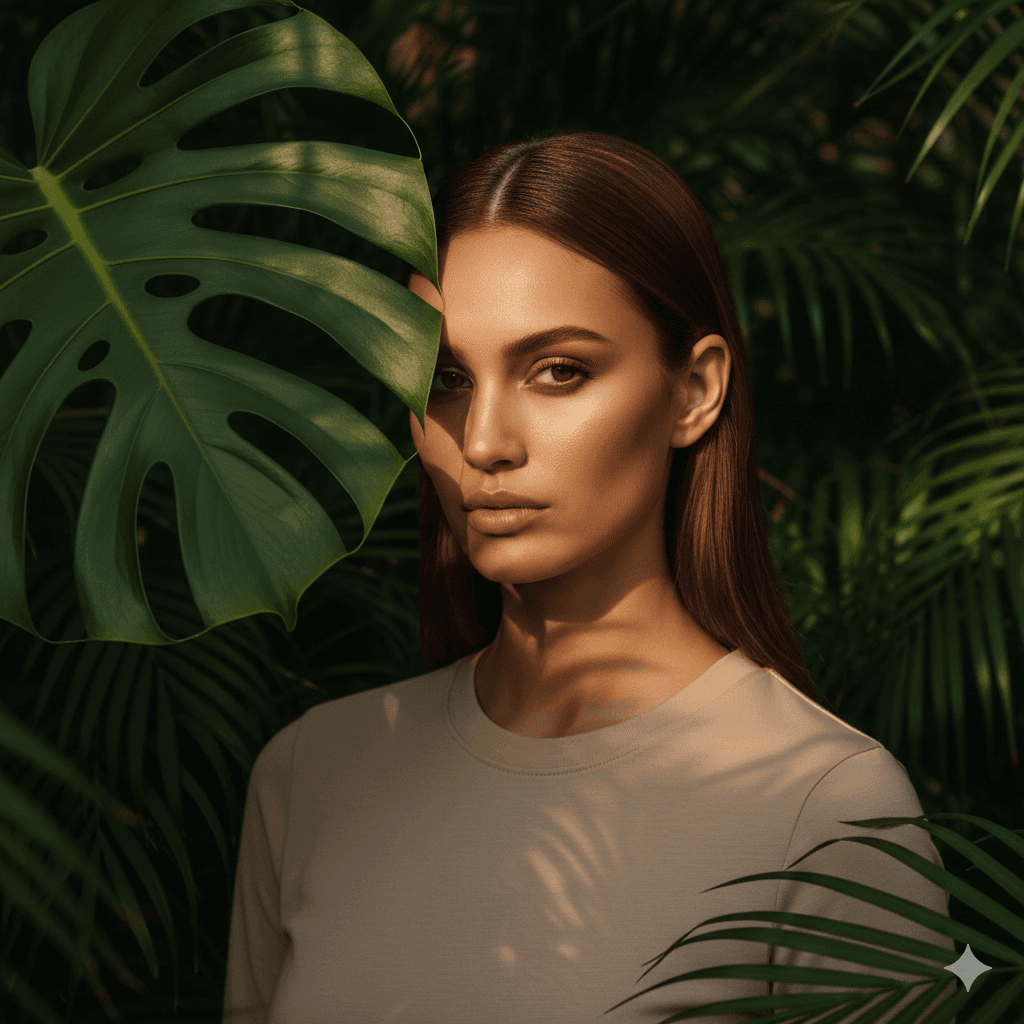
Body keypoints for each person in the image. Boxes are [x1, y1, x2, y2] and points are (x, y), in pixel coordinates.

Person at [222, 130, 955, 1023]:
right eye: (446, 378)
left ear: (695, 390)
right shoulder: (313, 775)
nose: (485, 441)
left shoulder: (823, 807)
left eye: (558, 372)